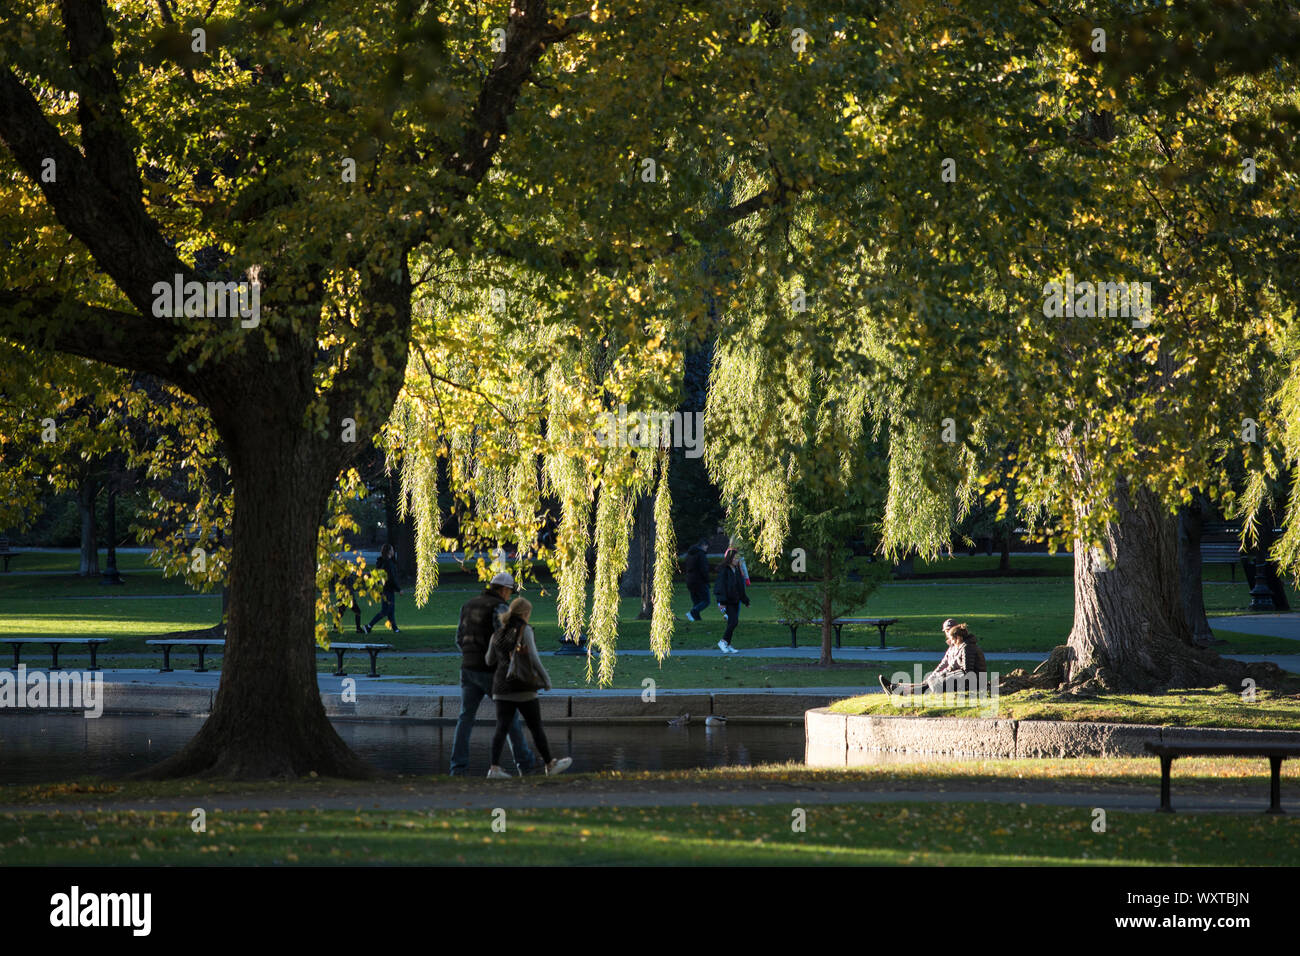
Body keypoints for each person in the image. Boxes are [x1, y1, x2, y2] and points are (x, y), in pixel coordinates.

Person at [448, 571, 537, 776]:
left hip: (468, 669)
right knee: (509, 716)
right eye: (509, 592)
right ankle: (525, 764)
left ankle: (457, 768)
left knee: (465, 718)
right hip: (491, 672)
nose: (510, 596)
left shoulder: (468, 605)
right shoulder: (500, 607)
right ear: (504, 590)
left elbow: (459, 638)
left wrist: (471, 655)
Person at [485, 597, 572, 777]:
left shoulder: (498, 633)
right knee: (535, 727)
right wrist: (546, 680)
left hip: (501, 688)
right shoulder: (525, 630)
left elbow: (488, 660)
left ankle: (493, 768)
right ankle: (549, 764)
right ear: (525, 613)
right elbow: (533, 657)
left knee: (501, 728)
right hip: (523, 687)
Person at [880, 619, 987, 695]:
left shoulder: (966, 647)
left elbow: (966, 671)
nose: (949, 637)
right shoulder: (957, 647)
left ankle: (897, 690)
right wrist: (935, 675)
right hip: (959, 677)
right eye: (946, 631)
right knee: (929, 682)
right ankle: (896, 688)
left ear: (958, 636)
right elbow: (944, 664)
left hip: (969, 681)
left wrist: (941, 675)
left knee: (930, 685)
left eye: (950, 633)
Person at [714, 547, 749, 654]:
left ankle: (727, 644)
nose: (737, 560)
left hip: (735, 600)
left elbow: (740, 587)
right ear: (730, 558)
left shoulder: (737, 571)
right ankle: (723, 641)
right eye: (735, 558)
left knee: (732, 622)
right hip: (727, 600)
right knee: (734, 621)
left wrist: (745, 600)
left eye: (738, 559)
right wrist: (722, 602)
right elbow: (720, 587)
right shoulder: (724, 571)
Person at [364, 543, 402, 634]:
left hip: (385, 589)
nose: (393, 552)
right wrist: (398, 589)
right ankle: (369, 626)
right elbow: (391, 578)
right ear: (389, 551)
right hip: (387, 589)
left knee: (390, 610)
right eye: (392, 550)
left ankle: (395, 629)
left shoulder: (383, 562)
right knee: (386, 610)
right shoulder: (388, 563)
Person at [683, 538, 711, 622]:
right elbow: (704, 569)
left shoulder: (689, 554)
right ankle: (692, 612)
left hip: (690, 580)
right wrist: (707, 580)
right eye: (706, 547)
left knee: (696, 601)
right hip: (699, 581)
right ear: (703, 545)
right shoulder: (701, 554)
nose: (707, 549)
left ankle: (697, 619)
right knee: (706, 601)